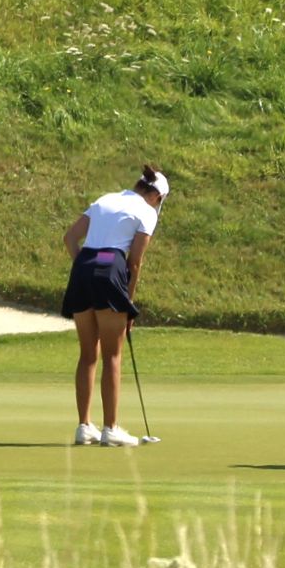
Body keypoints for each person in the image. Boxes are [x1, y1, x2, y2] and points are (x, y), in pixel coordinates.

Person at [58, 168, 167, 448]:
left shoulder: (105, 199)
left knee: (87, 354)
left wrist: (86, 267)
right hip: (112, 271)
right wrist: (127, 304)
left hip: (82, 270)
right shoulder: (147, 212)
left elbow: (70, 238)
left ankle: (84, 427)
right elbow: (135, 262)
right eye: (160, 200)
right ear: (155, 195)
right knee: (113, 355)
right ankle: (110, 429)